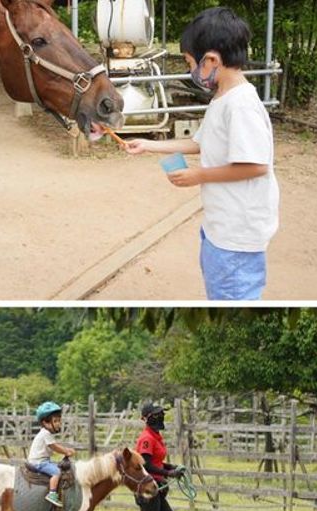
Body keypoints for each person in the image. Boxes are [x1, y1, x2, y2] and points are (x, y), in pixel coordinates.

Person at [125, 7, 279, 301]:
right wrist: (147, 144)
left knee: (231, 299)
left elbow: (256, 166)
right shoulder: (223, 98)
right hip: (221, 226)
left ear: (211, 60)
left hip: (237, 234)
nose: (189, 70)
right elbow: (200, 142)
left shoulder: (241, 105)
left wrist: (198, 175)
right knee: (219, 290)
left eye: (189, 62)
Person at [135, 402, 185, 511]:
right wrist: (168, 473)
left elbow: (156, 462)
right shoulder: (146, 439)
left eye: (161, 414)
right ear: (146, 418)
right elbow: (145, 465)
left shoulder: (156, 437)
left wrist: (172, 468)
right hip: (148, 491)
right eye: (156, 414)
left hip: (158, 490)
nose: (160, 417)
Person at [28, 401, 75, 507]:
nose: (59, 423)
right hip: (39, 462)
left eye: (59, 420)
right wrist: (67, 451)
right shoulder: (45, 433)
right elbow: (54, 446)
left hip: (43, 461)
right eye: (55, 421)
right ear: (45, 423)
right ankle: (52, 493)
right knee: (57, 472)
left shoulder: (45, 433)